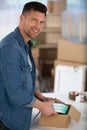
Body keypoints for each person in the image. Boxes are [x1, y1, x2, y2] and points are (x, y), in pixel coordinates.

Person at [0, 2, 64, 130]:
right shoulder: (10, 47)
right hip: (8, 123)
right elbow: (16, 93)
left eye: (42, 22)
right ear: (22, 18)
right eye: (34, 20)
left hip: (22, 119)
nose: (38, 27)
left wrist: (41, 97)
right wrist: (41, 106)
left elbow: (25, 77)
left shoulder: (26, 45)